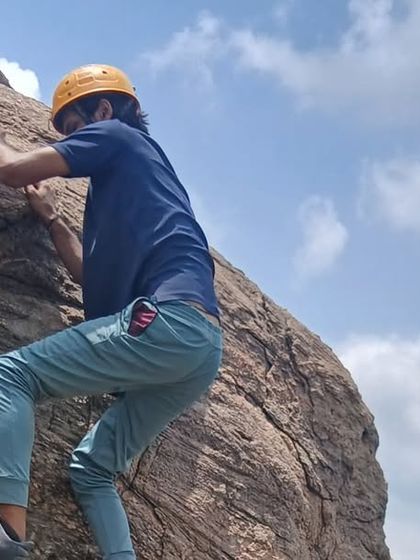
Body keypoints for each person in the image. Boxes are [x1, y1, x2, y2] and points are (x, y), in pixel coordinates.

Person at [0, 64, 222, 560]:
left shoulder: (118, 137)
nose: (77, 142)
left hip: (165, 322)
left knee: (10, 376)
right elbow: (90, 278)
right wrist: (54, 220)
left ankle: (7, 539)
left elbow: (11, 170)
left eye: (77, 128)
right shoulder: (139, 185)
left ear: (103, 110)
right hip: (199, 347)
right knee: (92, 470)